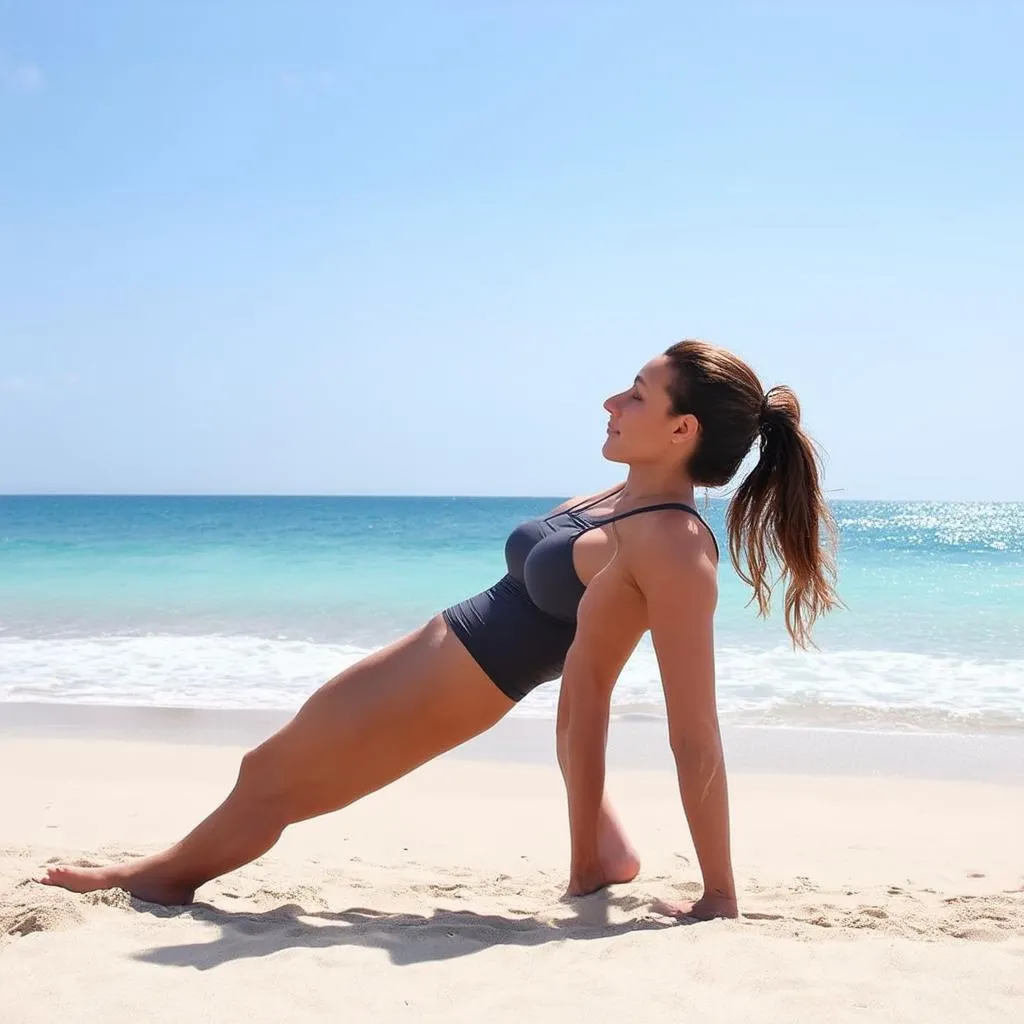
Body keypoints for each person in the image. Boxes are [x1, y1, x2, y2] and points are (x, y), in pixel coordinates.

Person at [39, 339, 838, 918]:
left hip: (452, 692)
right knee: (266, 769)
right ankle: (605, 859)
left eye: (636, 393)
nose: (611, 401)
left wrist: (719, 896)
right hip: (440, 647)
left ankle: (157, 879)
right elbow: (583, 688)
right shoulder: (626, 495)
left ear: (681, 430)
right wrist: (586, 848)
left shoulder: (673, 545)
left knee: (269, 783)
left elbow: (693, 733)